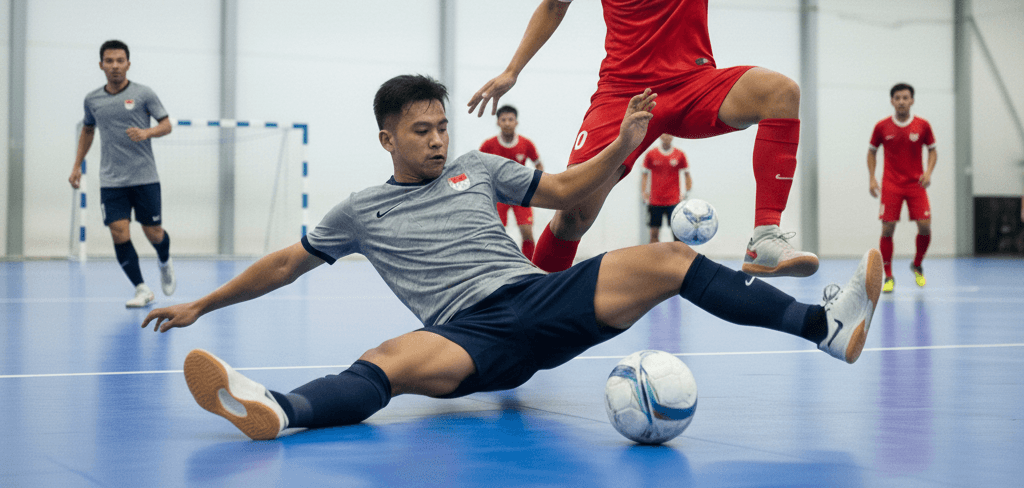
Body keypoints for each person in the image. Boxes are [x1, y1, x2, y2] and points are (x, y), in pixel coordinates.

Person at [142, 75, 881, 441]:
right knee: (387, 359)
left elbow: (562, 190)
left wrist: (623, 150)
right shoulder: (359, 211)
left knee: (665, 260)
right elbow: (283, 264)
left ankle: (823, 329)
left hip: (538, 300)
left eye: (440, 127)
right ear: (387, 139)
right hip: (467, 338)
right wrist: (202, 303)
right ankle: (282, 410)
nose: (436, 140)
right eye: (421, 131)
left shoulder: (481, 168)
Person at [466, 0, 821, 278]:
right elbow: (556, 4)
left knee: (781, 92)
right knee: (574, 214)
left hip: (694, 83)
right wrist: (513, 70)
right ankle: (529, 307)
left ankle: (764, 237)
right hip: (623, 94)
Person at [69, 40, 176, 308]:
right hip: (112, 180)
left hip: (145, 177)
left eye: (120, 60)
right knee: (119, 232)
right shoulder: (92, 100)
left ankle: (164, 259)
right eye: (109, 61)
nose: (115, 66)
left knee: (153, 233)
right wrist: (76, 165)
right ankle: (142, 289)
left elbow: (166, 124)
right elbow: (88, 130)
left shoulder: (144, 94)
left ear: (128, 63)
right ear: (101, 65)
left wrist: (147, 132)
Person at [868, 83, 937, 293]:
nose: (901, 101)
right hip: (891, 184)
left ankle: (917, 264)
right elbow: (871, 152)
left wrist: (928, 173)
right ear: (892, 101)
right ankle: (888, 276)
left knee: (925, 226)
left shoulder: (923, 126)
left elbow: (933, 151)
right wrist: (872, 178)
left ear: (912, 100)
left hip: (916, 184)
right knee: (887, 228)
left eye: (905, 98)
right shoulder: (882, 127)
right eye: (897, 98)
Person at [479, 104, 545, 258]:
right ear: (498, 122)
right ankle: (495, 264)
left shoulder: (526, 143)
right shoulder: (488, 145)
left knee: (527, 232)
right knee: (496, 232)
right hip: (498, 194)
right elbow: (477, 165)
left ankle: (529, 266)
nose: (507, 123)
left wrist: (536, 185)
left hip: (520, 194)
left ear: (516, 122)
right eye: (503, 119)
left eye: (510, 119)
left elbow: (538, 164)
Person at [641, 134, 692, 243]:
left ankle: (677, 258)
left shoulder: (679, 154)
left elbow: (686, 174)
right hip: (655, 201)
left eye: (669, 135)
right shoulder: (651, 154)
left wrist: (687, 191)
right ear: (660, 136)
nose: (666, 137)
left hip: (673, 201)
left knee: (677, 233)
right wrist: (644, 192)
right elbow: (644, 174)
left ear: (672, 137)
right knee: (654, 233)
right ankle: (655, 258)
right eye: (664, 135)